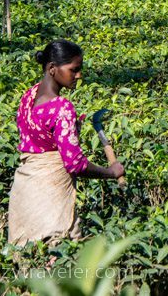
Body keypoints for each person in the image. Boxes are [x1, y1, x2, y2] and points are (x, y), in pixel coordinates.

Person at [8, 40, 124, 247]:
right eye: (74, 70)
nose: (79, 75)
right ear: (52, 68)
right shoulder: (62, 108)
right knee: (59, 254)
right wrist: (111, 172)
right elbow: (75, 164)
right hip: (50, 194)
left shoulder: (29, 95)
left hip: (25, 191)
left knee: (27, 256)